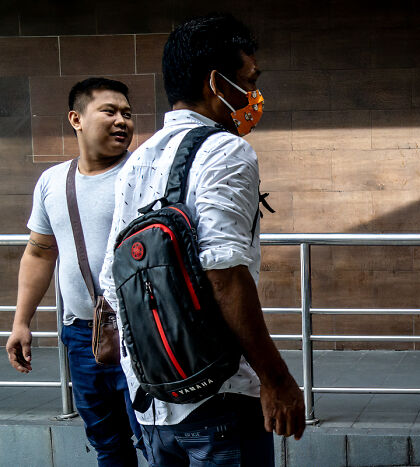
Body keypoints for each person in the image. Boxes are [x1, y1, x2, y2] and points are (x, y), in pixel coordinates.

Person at [99, 13, 305, 466]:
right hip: (221, 398)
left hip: (151, 400)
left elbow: (112, 281)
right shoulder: (226, 151)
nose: (254, 96)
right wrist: (275, 379)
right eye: (249, 81)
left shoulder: (137, 161)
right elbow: (224, 273)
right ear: (217, 83)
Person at [5, 78, 145, 466]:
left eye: (128, 114)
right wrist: (21, 322)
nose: (122, 121)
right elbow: (39, 253)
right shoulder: (53, 181)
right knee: (107, 444)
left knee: (157, 442)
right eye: (110, 111)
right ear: (76, 118)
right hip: (83, 335)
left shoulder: (144, 173)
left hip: (143, 334)